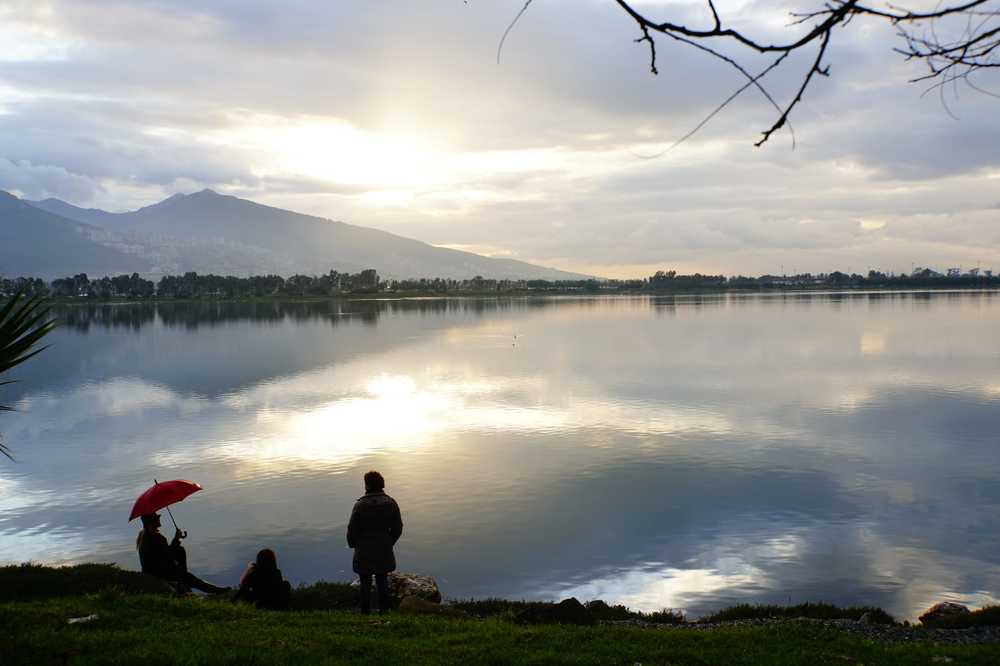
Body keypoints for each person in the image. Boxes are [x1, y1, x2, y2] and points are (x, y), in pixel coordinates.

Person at [347, 470, 403, 613]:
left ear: (367, 485)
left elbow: (352, 529)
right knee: (382, 581)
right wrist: (389, 542)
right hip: (384, 548)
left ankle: (365, 613)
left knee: (364, 583)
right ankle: (384, 612)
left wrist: (353, 544)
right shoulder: (391, 503)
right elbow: (398, 527)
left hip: (363, 549)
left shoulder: (360, 505)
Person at [136, 512, 227, 594]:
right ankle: (214, 590)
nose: (159, 518)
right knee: (190, 578)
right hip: (159, 573)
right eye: (157, 517)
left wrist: (176, 540)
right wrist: (176, 538)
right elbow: (168, 556)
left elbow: (164, 554)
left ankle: (184, 581)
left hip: (151, 570)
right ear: (151, 522)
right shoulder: (157, 538)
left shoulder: (143, 535)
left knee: (180, 550)